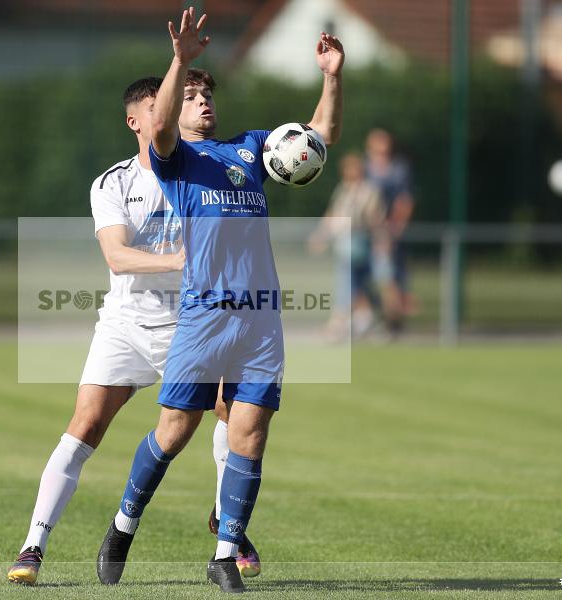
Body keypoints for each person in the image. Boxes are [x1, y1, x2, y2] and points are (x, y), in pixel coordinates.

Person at [95, 7, 344, 593]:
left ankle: (225, 553)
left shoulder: (249, 152)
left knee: (250, 433)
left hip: (259, 318)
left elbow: (319, 139)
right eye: (191, 96)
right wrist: (182, 60)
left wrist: (332, 76)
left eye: (208, 94)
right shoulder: (176, 161)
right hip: (204, 315)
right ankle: (123, 526)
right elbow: (158, 128)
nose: (203, 102)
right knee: (175, 430)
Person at [8, 76, 260, 585]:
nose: (166, 112)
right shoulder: (115, 182)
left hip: (191, 325)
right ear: (136, 121)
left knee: (235, 414)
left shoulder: (203, 171)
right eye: (156, 106)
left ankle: (224, 520)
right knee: (85, 425)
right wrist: (184, 260)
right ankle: (33, 545)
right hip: (125, 326)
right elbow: (117, 257)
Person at [309, 152, 396, 340]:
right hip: (346, 244)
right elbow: (333, 214)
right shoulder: (343, 190)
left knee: (358, 284)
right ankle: (360, 322)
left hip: (361, 243)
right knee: (354, 285)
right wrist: (321, 235)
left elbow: (375, 220)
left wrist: (382, 243)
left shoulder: (368, 191)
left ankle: (348, 323)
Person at [365, 128, 415, 332]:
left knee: (388, 280)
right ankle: (365, 318)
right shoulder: (365, 167)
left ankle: (392, 323)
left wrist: (393, 231)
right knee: (356, 279)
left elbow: (405, 201)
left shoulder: (399, 169)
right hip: (363, 233)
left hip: (385, 236)